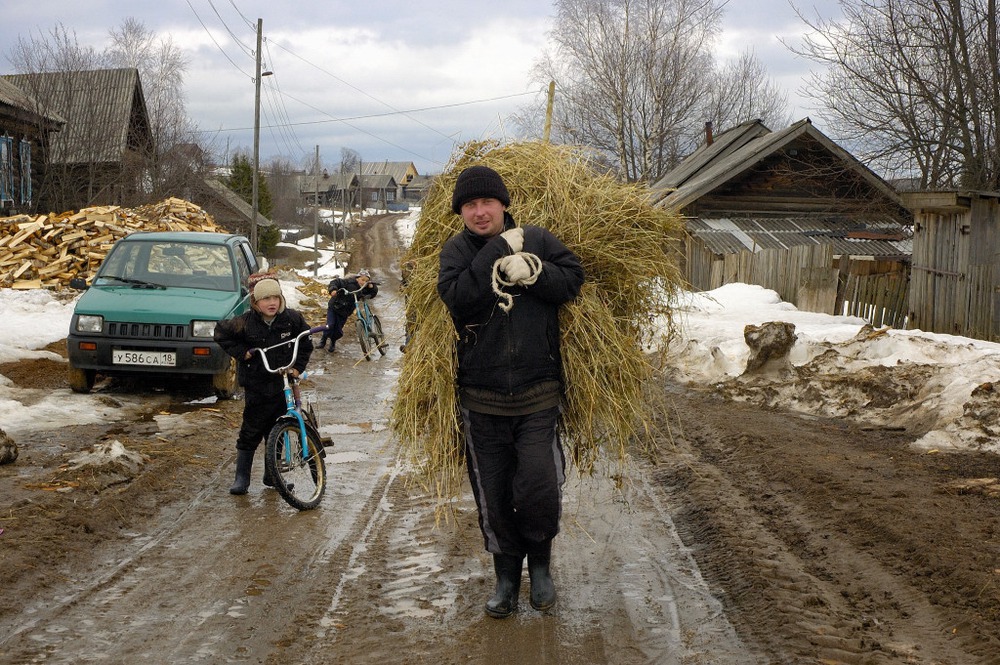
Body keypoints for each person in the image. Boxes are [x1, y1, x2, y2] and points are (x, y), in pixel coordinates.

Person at [437, 165, 585, 618]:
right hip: (481, 398)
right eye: (470, 205)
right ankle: (505, 576)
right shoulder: (457, 250)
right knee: (494, 493)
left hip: (538, 391)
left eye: (487, 202)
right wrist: (500, 249)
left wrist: (533, 272)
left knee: (539, 483)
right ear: (461, 212)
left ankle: (540, 566)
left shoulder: (538, 239)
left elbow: (572, 281)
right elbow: (459, 298)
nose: (480, 212)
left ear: (504, 203)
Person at [214, 273, 313, 495]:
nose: (272, 303)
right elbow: (220, 333)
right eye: (266, 299)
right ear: (256, 303)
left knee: (276, 429)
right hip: (257, 384)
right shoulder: (245, 323)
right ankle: (242, 478)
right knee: (251, 429)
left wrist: (298, 367)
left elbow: (306, 343)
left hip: (283, 383)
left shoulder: (292, 319)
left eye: (275, 298)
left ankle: (272, 476)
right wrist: (242, 353)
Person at [319, 269, 378, 352]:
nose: (363, 282)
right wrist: (333, 290)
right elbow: (335, 282)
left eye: (366, 281)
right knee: (330, 325)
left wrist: (372, 287)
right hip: (335, 307)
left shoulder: (363, 289)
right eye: (362, 280)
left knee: (338, 329)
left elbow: (372, 293)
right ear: (357, 278)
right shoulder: (348, 282)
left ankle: (333, 341)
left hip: (345, 312)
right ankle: (323, 339)